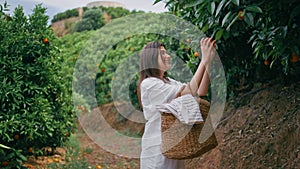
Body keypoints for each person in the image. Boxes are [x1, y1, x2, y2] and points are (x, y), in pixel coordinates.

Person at [137, 37, 216, 169]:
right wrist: (204, 60)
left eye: (166, 52)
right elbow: (188, 91)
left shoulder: (169, 82)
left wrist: (208, 63)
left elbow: (200, 91)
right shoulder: (149, 84)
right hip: (156, 151)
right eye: (162, 53)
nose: (167, 56)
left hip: (174, 146)